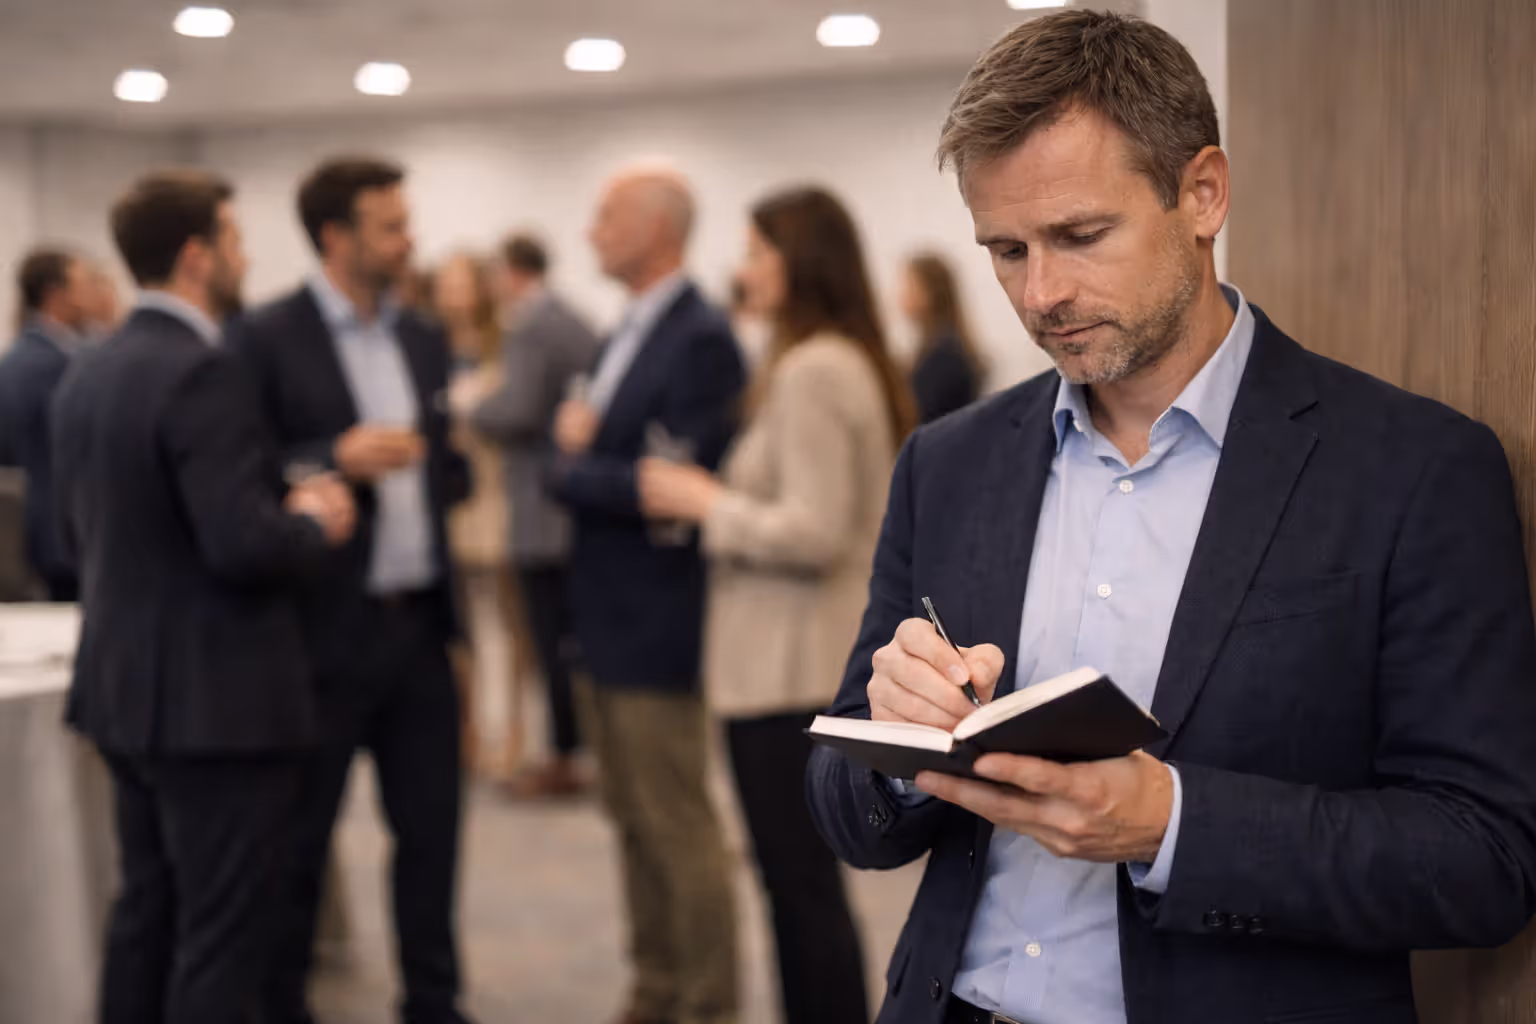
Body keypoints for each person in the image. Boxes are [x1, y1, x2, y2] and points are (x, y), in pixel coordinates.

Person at [806, 10, 1536, 1024]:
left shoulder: (1413, 468)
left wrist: (1173, 824)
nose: (1042, 292)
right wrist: (902, 750)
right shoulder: (949, 462)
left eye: (1080, 235)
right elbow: (846, 808)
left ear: (1203, 193)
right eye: (1006, 250)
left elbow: (1484, 856)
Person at [51, 170, 355, 1024]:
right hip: (217, 705)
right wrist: (314, 520)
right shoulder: (202, 372)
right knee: (221, 939)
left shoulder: (90, 368)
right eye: (234, 239)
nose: (244, 255)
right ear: (197, 256)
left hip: (124, 693)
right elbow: (240, 544)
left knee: (146, 915)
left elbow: (81, 536)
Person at [639, 186, 910, 1024]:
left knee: (798, 891)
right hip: (786, 663)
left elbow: (814, 529)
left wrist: (702, 503)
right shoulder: (821, 360)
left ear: (801, 262)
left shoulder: (815, 367)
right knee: (798, 888)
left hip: (788, 668)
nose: (742, 268)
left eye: (757, 251)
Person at [229, 156, 476, 1024]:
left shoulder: (419, 336)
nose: (409, 241)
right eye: (391, 226)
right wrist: (334, 457)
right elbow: (243, 475)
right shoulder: (262, 337)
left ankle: (434, 1004)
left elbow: (443, 465)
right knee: (298, 846)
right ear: (335, 236)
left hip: (417, 629)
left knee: (434, 839)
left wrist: (447, 465)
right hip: (316, 634)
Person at [551, 165, 746, 1024]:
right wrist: (588, 465)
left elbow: (673, 480)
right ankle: (655, 987)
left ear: (659, 230)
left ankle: (704, 1003)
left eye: (606, 215)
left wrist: (570, 468)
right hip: (601, 611)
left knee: (677, 826)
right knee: (631, 820)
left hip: (657, 613)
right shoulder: (622, 328)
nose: (591, 230)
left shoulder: (699, 336)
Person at [471, 233, 600, 797]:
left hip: (541, 511)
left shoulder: (529, 324)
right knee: (572, 645)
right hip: (576, 511)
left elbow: (517, 409)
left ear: (511, 271)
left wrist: (466, 407)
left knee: (549, 647)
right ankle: (577, 751)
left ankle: (562, 758)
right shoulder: (575, 317)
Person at [434, 251, 525, 779]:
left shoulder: (505, 346)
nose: (451, 296)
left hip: (494, 496)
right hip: (451, 501)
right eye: (444, 284)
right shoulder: (430, 347)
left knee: (506, 628)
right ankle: (467, 732)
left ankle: (510, 735)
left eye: (460, 284)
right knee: (461, 629)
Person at [0, 248, 92, 599]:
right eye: (83, 285)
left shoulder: (15, 360)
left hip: (25, 539)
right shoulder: (56, 368)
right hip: (60, 544)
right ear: (56, 295)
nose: (91, 295)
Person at [900, 252, 986, 423]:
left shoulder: (944, 356)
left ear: (930, 295)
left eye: (909, 287)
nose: (900, 295)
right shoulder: (937, 347)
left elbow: (922, 416)